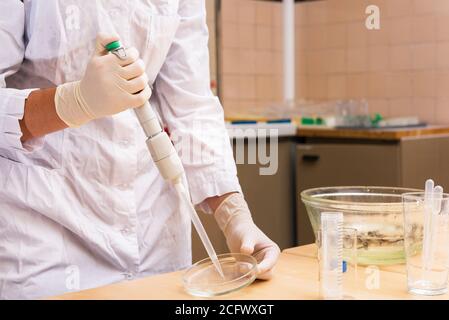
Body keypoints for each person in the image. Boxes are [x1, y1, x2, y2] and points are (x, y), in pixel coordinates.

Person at [0, 0, 280, 299]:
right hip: (48, 229)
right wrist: (72, 102)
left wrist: (234, 215)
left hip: (155, 230)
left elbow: (190, 106)